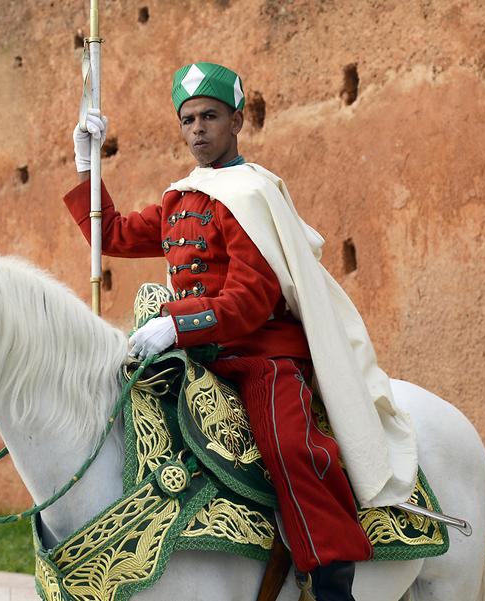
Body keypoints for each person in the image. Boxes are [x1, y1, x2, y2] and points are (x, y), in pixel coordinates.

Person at [63, 62, 418, 601]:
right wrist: (86, 162)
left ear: (237, 120)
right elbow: (109, 233)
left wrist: (175, 325)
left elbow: (250, 301)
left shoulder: (253, 195)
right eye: (188, 120)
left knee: (292, 448)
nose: (198, 129)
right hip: (193, 353)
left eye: (210, 116)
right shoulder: (178, 199)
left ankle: (332, 577)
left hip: (261, 355)